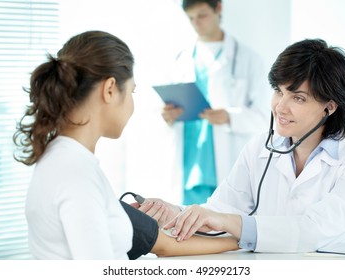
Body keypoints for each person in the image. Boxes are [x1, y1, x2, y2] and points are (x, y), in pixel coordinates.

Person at [13, 30, 239, 259]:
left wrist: (114, 218)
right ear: (110, 89)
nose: (132, 105)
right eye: (132, 91)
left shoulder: (64, 159)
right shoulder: (75, 171)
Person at [139, 38, 345, 253]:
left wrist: (229, 222)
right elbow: (220, 210)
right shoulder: (260, 147)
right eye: (278, 91)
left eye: (298, 98)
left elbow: (313, 230)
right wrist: (177, 213)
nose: (281, 107)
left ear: (329, 107)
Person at [161, 0, 269, 204]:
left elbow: (265, 117)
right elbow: (161, 116)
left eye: (202, 15)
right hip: (189, 169)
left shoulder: (248, 59)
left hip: (227, 167)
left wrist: (229, 117)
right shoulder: (180, 60)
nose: (196, 23)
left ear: (218, 8)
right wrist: (167, 116)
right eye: (191, 18)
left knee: (224, 228)